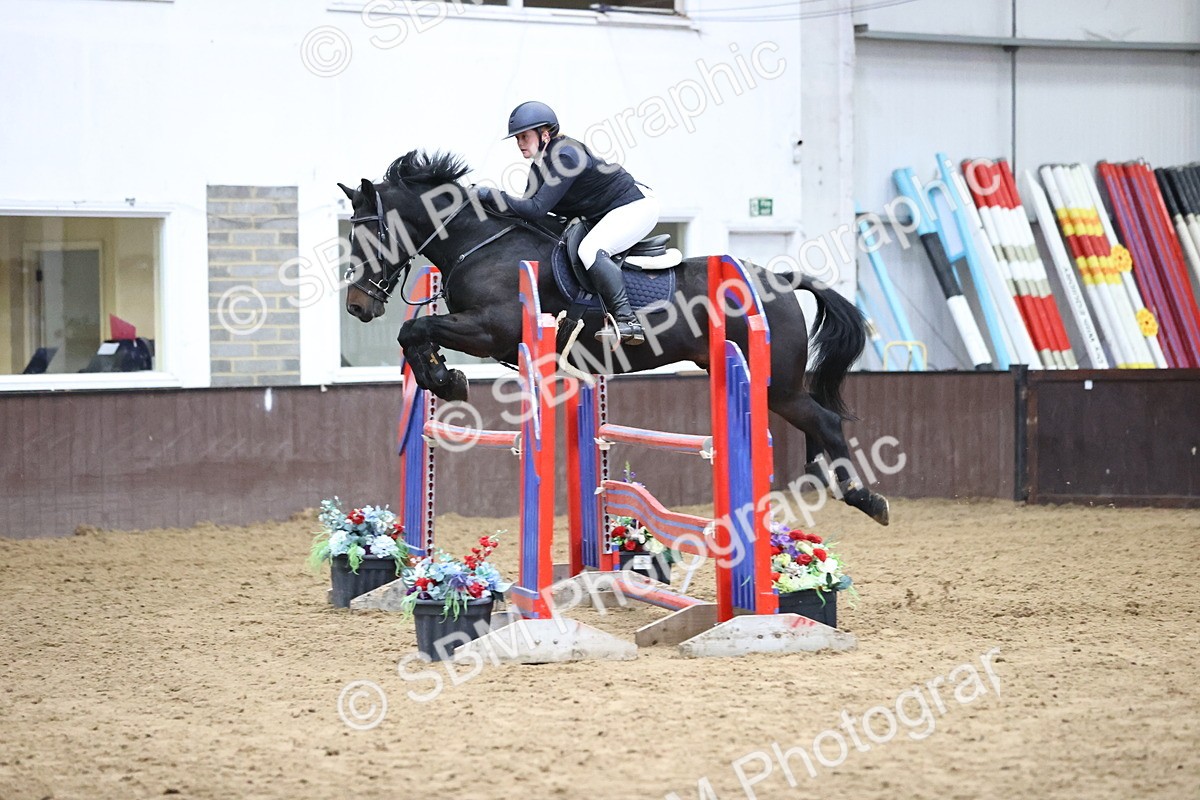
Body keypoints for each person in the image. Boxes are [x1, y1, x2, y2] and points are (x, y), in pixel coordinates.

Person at [477, 101, 658, 345]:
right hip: (604, 213)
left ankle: (628, 321)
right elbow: (529, 215)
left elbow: (536, 208)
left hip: (634, 207)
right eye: (517, 138)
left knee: (590, 250)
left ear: (544, 134)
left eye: (524, 137)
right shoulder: (539, 166)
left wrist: (492, 195)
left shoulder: (566, 155)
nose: (520, 144)